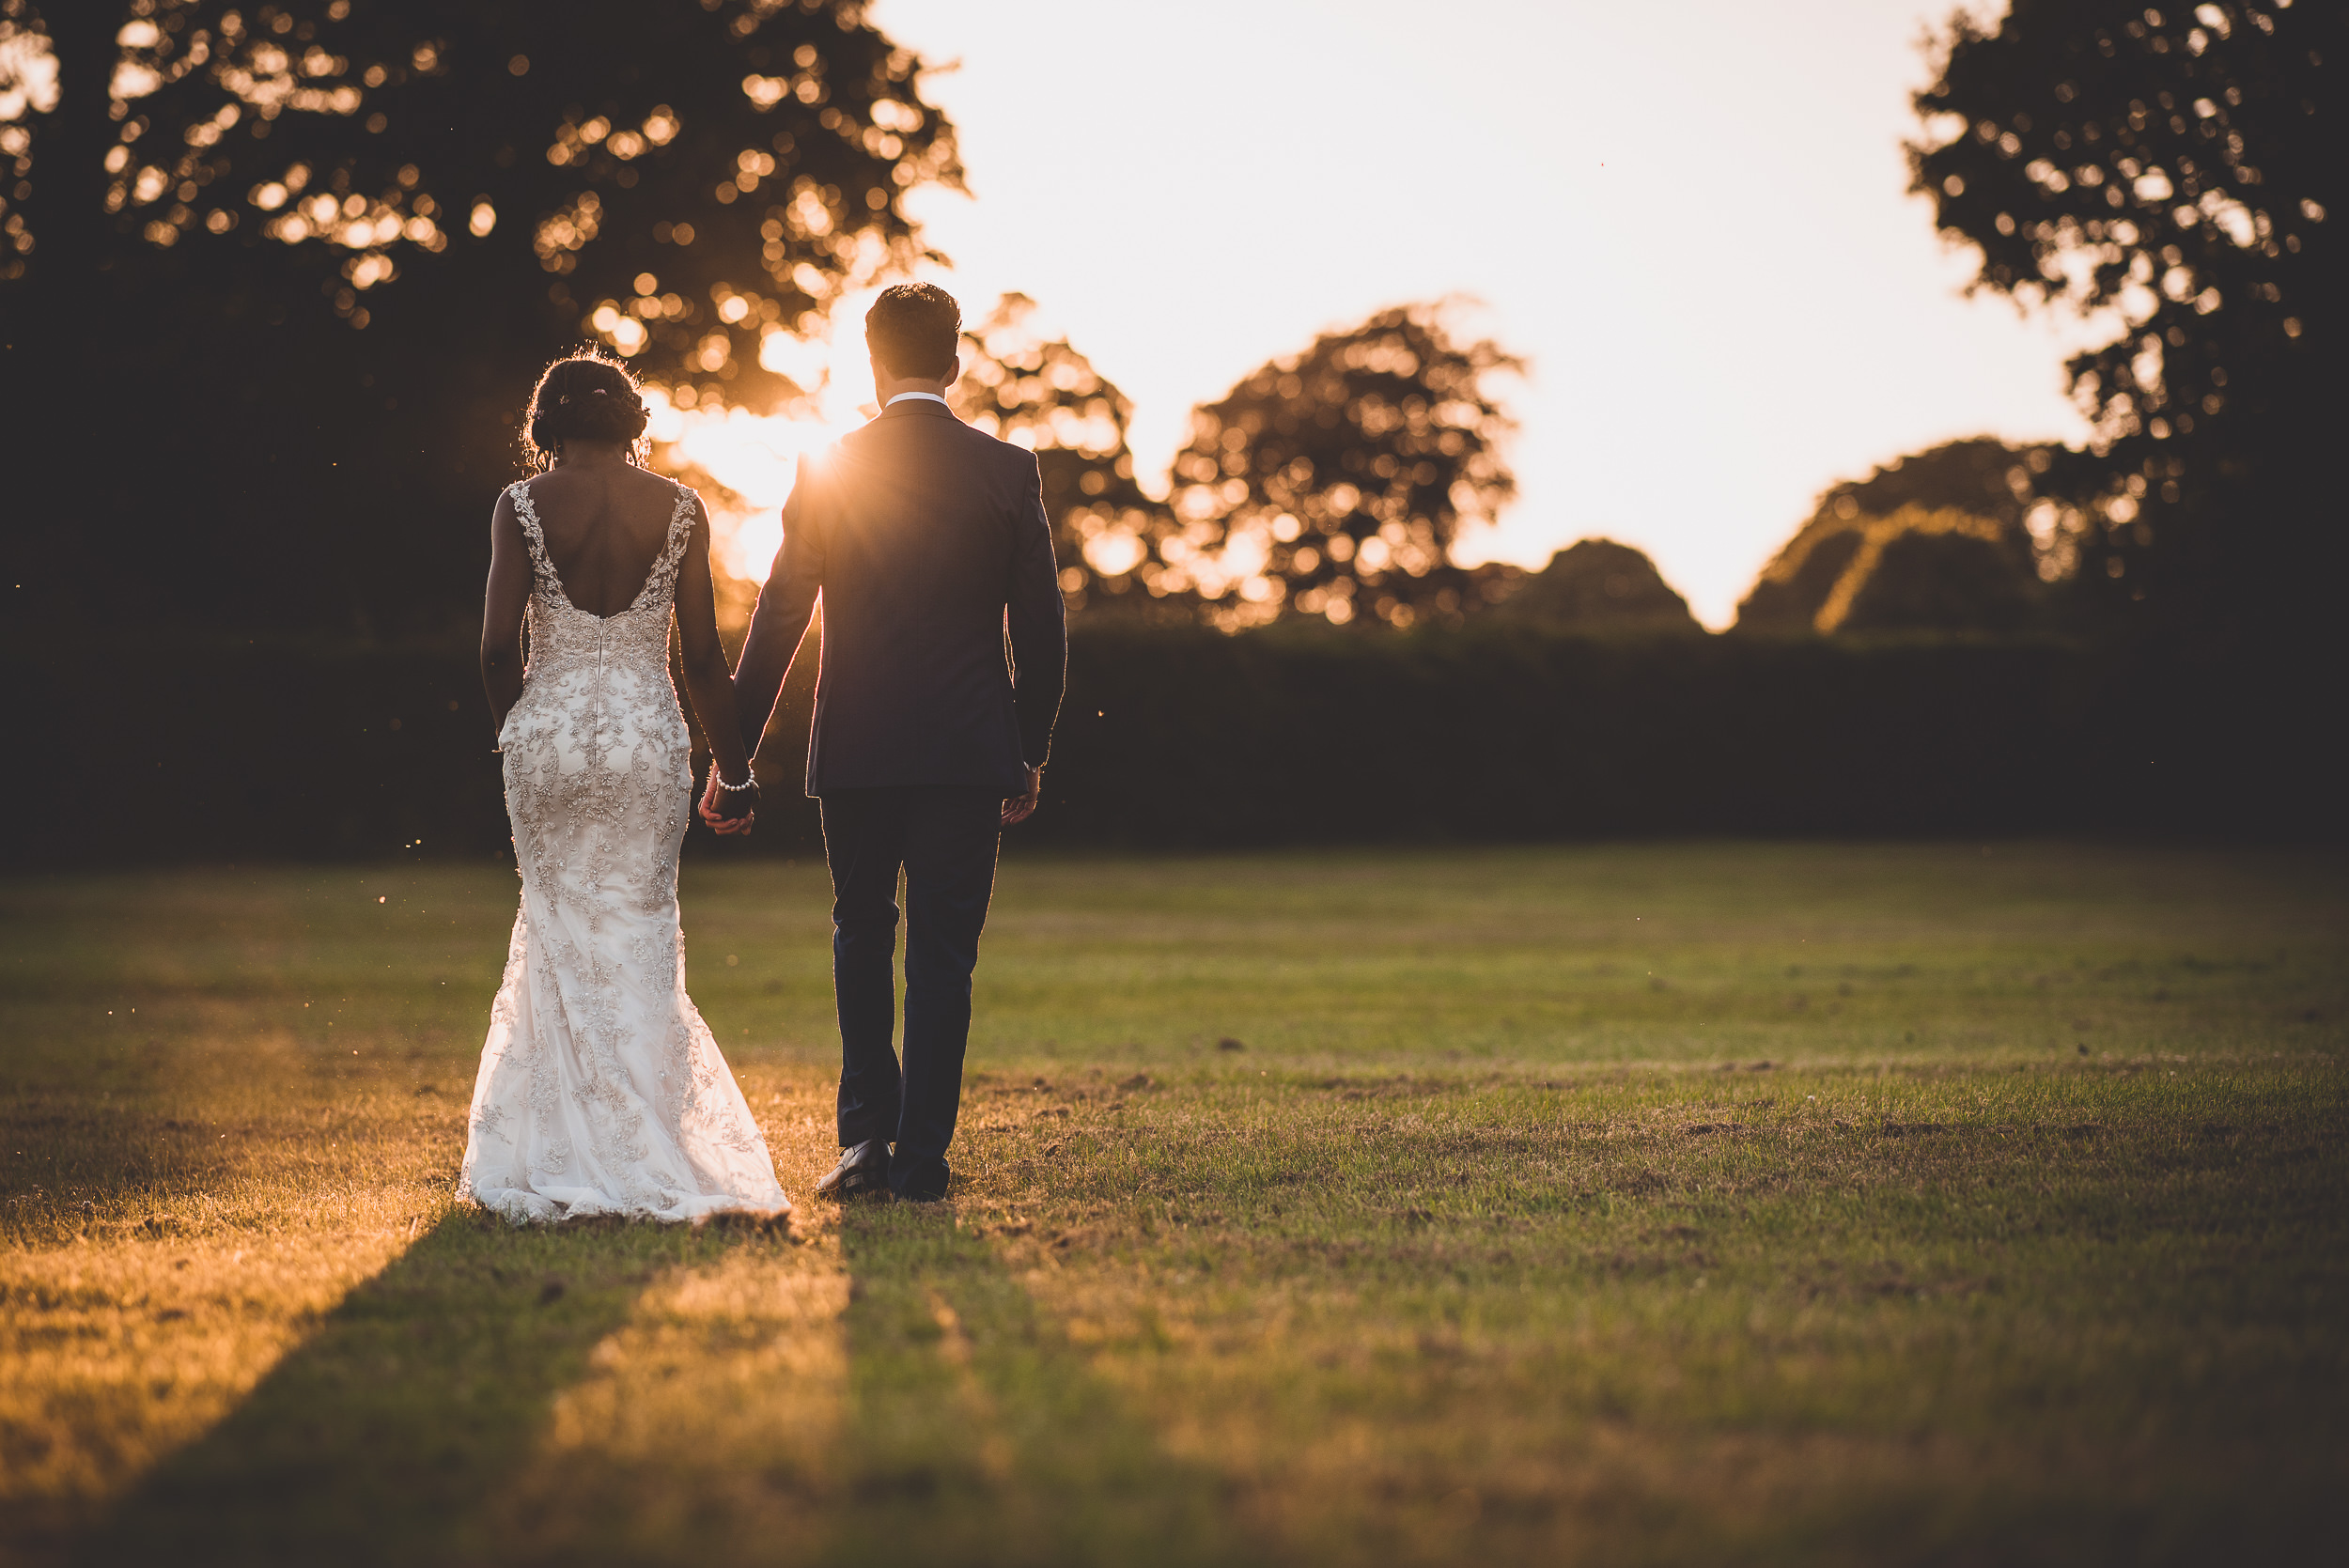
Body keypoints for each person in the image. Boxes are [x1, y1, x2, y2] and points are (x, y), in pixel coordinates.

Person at [724, 282, 1066, 1203]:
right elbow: (1041, 630)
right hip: (966, 751)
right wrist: (1027, 746)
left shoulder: (831, 465)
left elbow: (781, 610)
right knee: (944, 956)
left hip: (859, 748)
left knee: (859, 931)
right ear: (953, 363)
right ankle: (921, 1162)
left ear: (871, 365)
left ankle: (862, 1145)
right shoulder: (1006, 470)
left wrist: (734, 753)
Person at [459, 353, 788, 1224]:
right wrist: (739, 768)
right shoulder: (680, 508)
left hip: (551, 737)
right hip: (647, 737)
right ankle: (649, 1147)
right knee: (640, 934)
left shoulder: (519, 505)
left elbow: (496, 649)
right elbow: (705, 659)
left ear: (548, 424)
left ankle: (553, 1150)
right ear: (632, 423)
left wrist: (518, 729)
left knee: (556, 926)